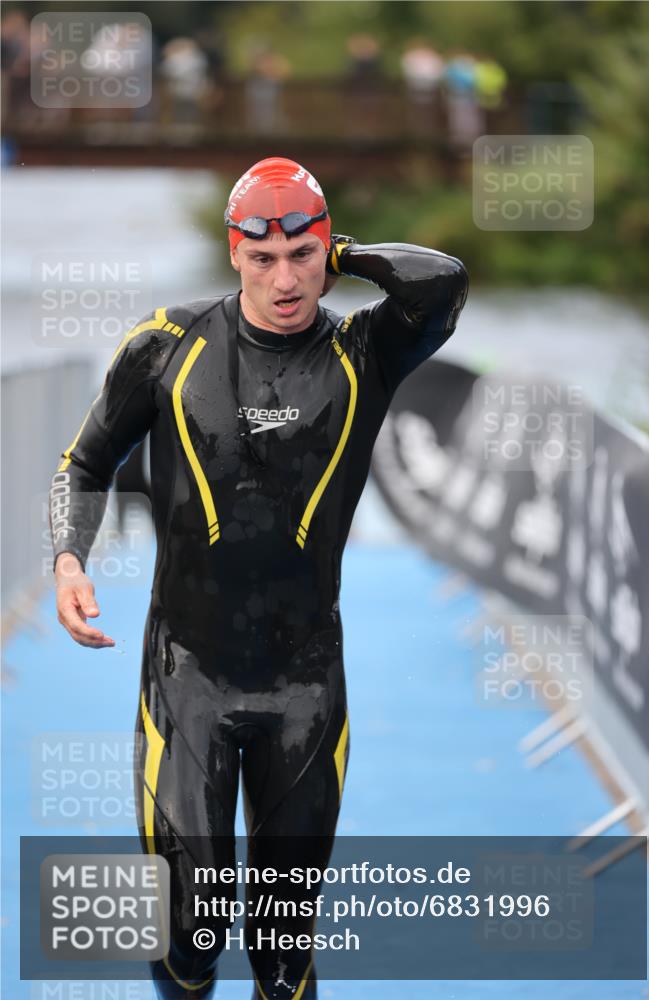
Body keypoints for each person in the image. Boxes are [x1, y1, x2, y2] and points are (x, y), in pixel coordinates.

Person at [50, 157, 468, 999]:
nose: (285, 279)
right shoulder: (167, 345)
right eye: (262, 257)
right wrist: (68, 558)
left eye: (304, 257)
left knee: (283, 957)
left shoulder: (364, 351)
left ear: (328, 251)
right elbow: (84, 462)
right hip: (187, 678)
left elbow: (443, 284)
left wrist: (338, 251)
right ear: (232, 253)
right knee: (190, 934)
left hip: (305, 686)